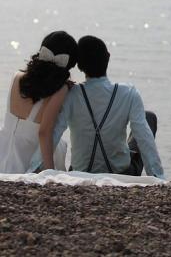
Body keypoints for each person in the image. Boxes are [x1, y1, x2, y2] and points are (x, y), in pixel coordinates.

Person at [33, 35, 164, 178]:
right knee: (148, 117)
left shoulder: (70, 94)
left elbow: (54, 133)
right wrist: (157, 178)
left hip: (80, 172)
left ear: (80, 66)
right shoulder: (129, 93)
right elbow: (144, 138)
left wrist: (39, 170)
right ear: (108, 57)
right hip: (122, 173)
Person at [0, 31, 78, 173]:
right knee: (58, 144)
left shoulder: (17, 76)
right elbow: (44, 132)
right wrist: (50, 172)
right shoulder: (61, 89)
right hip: (25, 162)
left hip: (3, 152)